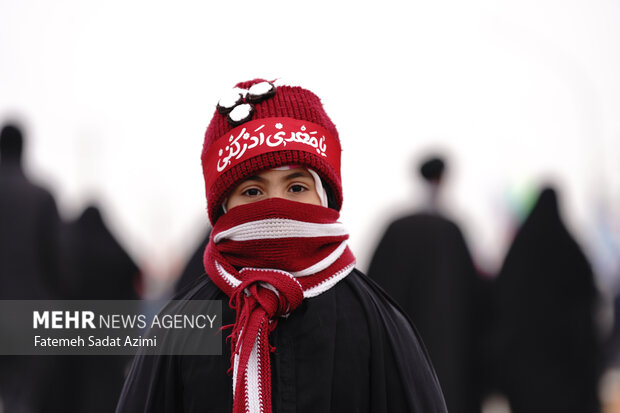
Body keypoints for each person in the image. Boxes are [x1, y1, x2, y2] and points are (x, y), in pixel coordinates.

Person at [116, 79, 448, 413]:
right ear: (223, 207)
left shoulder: (375, 320)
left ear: (324, 198)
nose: (276, 204)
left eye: (297, 186)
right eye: (253, 192)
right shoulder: (185, 323)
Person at [367, 156, 484, 413]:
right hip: (450, 356)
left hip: (401, 356)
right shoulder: (452, 231)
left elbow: (375, 291)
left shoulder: (397, 228)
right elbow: (474, 300)